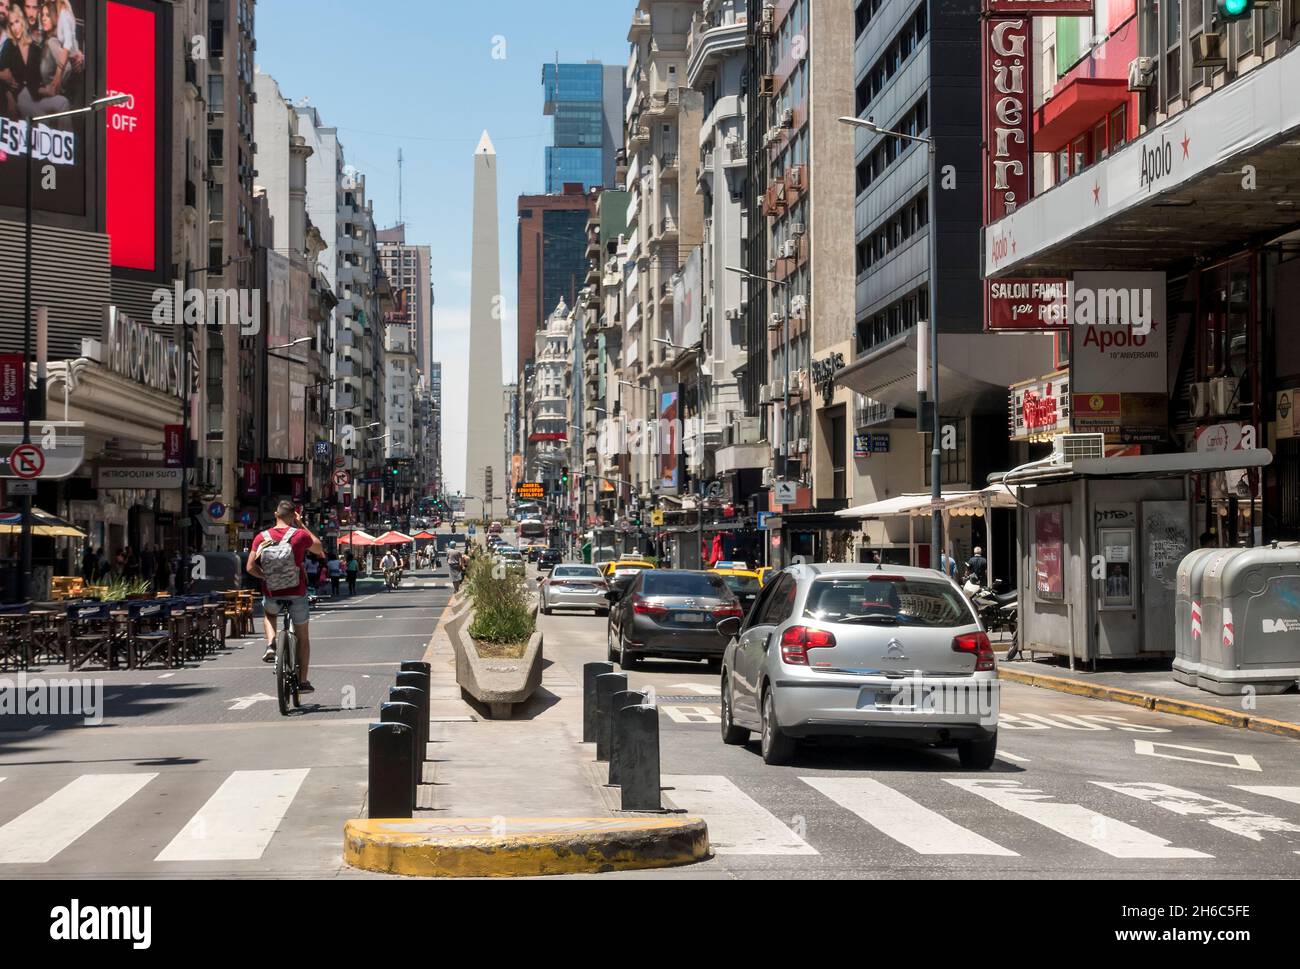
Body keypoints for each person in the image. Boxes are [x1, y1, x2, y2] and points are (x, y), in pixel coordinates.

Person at [247, 500, 324, 693]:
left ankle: (271, 643)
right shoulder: (299, 535)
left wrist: (266, 576)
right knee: (303, 637)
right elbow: (318, 548)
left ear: (275, 514)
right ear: (293, 516)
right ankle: (303, 681)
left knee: (269, 614)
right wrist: (301, 524)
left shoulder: (261, 537)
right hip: (297, 592)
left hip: (272, 592)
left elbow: (249, 567)